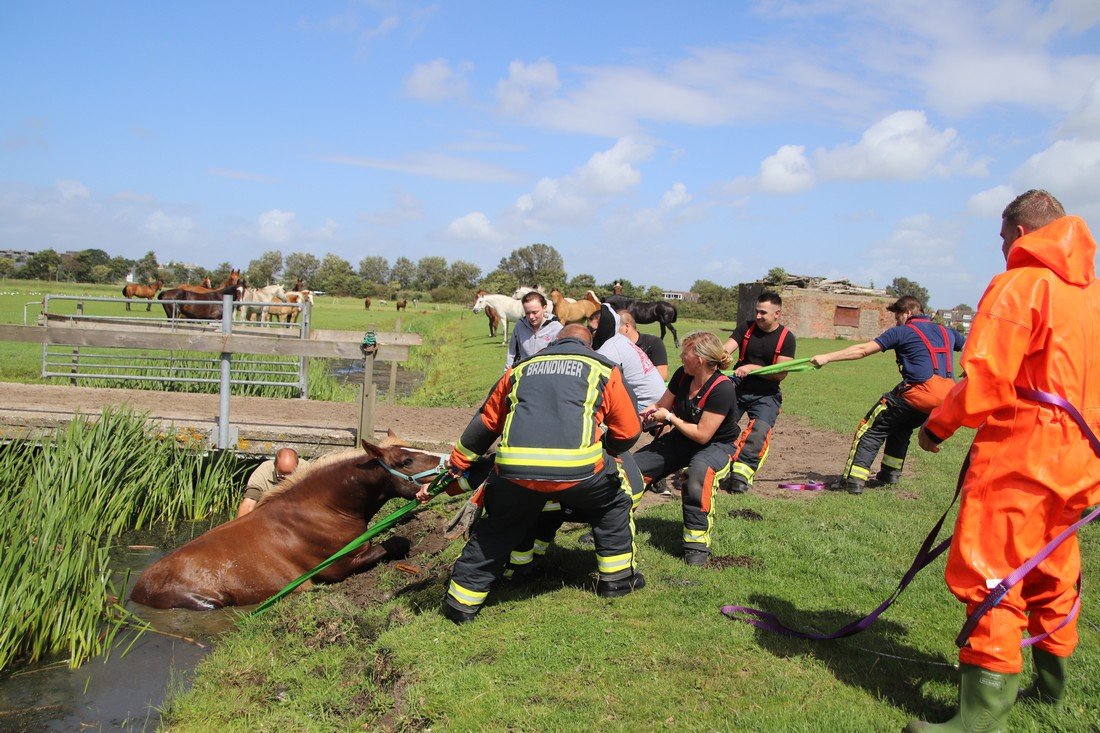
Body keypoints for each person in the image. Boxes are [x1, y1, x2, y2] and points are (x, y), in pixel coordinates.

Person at [905, 190, 1100, 731]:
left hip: (1022, 453)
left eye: (999, 237)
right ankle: (1053, 687)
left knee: (993, 571)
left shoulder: (1020, 285)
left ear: (1018, 232)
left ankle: (980, 719)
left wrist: (938, 423)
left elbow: (987, 383)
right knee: (1053, 568)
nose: (999, 248)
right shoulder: (1093, 295)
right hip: (1082, 459)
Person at [422, 323, 644, 623]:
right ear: (590, 346)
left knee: (498, 528)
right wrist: (609, 446)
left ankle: (461, 605)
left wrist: (457, 465)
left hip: (515, 473)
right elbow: (629, 431)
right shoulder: (604, 368)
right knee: (613, 505)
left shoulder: (521, 368)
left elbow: (486, 423)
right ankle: (616, 582)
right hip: (580, 472)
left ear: (553, 342)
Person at [810, 295, 965, 494]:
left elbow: (862, 349)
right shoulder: (947, 331)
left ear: (908, 313)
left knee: (870, 429)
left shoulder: (903, 331)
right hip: (945, 399)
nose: (896, 321)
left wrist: (827, 357)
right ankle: (890, 474)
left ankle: (852, 481)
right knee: (901, 427)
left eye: (897, 316)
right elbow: (971, 346)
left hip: (918, 393)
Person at [633, 331, 739, 567]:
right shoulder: (683, 375)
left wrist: (669, 417)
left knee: (697, 474)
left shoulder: (722, 389)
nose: (680, 356)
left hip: (716, 445)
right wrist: (646, 415)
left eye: (685, 352)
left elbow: (702, 435)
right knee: (634, 467)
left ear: (700, 360)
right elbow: (661, 405)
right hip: (681, 438)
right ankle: (614, 525)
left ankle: (696, 545)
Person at [721, 291, 796, 493]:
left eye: (763, 312)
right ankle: (714, 465)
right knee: (719, 426)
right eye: (757, 311)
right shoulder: (745, 328)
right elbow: (726, 349)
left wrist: (753, 368)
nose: (758, 316)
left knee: (759, 431)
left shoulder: (786, 338)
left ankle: (741, 474)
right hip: (737, 388)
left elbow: (780, 374)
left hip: (766, 394)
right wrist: (720, 357)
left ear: (777, 314)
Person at [588, 303, 667, 410]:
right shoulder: (620, 340)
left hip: (645, 404)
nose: (589, 333)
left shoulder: (610, 349)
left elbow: (592, 384)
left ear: (603, 329)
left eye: (592, 330)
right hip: (656, 400)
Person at [236, 448, 310, 517]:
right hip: (269, 515)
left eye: (290, 476)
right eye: (281, 475)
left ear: (297, 466)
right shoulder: (263, 471)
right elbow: (249, 504)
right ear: (275, 465)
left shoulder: (307, 470)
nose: (286, 479)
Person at [505, 291, 562, 368]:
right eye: (527, 313)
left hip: (547, 376)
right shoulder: (519, 326)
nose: (531, 317)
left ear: (544, 308)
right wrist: (507, 373)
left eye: (535, 312)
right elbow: (511, 353)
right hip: (524, 375)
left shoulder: (556, 328)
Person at [618, 310, 669, 380]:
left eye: (615, 328)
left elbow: (662, 374)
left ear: (626, 327)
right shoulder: (616, 347)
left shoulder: (653, 343)